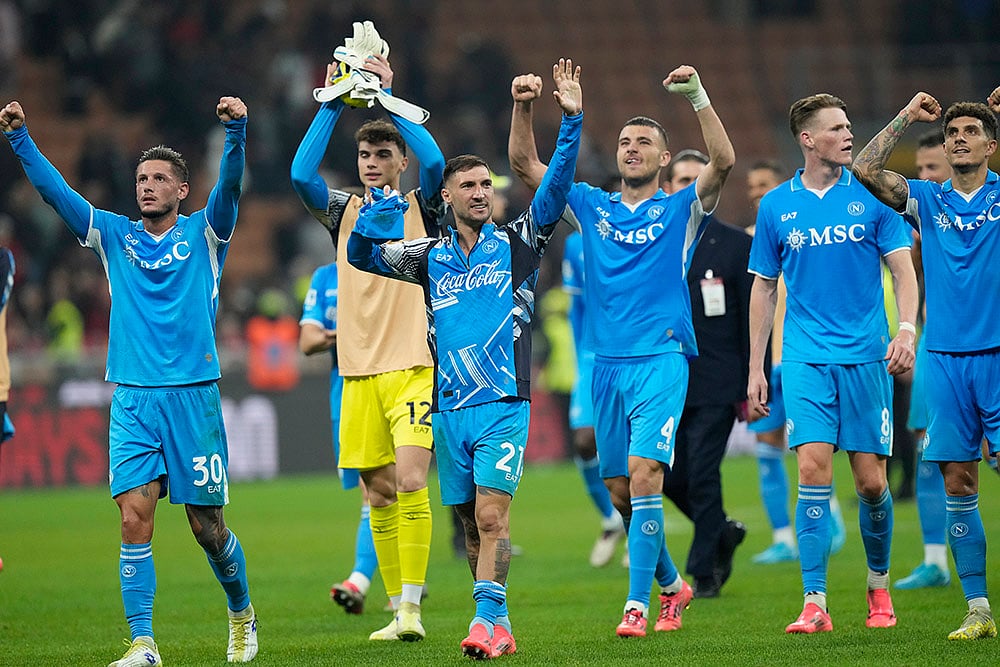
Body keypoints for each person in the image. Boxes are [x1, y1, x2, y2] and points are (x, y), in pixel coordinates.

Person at [1, 97, 257, 665]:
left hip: (193, 394)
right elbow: (56, 195)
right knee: (133, 518)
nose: (147, 186)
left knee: (207, 528)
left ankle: (241, 614)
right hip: (133, 398)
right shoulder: (113, 236)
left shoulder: (207, 233)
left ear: (182, 190)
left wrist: (236, 132)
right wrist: (21, 140)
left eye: (161, 178)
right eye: (142, 178)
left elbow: (233, 186)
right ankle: (144, 643)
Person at [348, 57, 583, 659]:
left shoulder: (520, 244)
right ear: (446, 195)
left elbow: (554, 189)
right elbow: (361, 257)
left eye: (488, 185)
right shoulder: (428, 256)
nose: (482, 194)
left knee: (491, 517)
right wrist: (375, 212)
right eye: (470, 186)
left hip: (504, 402)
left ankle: (484, 624)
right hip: (448, 408)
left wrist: (570, 122)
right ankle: (499, 627)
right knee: (467, 528)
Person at [510, 63, 735, 637]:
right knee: (619, 491)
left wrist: (697, 95)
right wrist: (524, 106)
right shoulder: (591, 205)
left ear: (664, 160)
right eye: (625, 141)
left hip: (661, 358)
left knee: (643, 475)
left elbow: (723, 161)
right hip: (605, 365)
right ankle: (672, 586)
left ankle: (637, 606)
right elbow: (524, 166)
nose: (631, 148)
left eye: (644, 143)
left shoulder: (682, 209)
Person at [747, 93, 917, 635]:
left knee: (870, 484)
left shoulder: (871, 198)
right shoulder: (776, 205)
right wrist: (756, 367)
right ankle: (814, 601)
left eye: (849, 126)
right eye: (838, 128)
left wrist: (907, 329)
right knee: (813, 469)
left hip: (867, 358)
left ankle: (877, 584)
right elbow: (764, 289)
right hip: (804, 359)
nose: (849, 135)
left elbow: (903, 272)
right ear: (807, 138)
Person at [290, 52, 446, 642]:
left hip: (413, 365)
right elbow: (302, 176)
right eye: (365, 154)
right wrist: (331, 102)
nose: (373, 162)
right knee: (378, 491)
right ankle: (393, 606)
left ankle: (412, 610)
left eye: (384, 154)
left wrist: (385, 97)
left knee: (410, 480)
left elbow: (434, 159)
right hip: (356, 371)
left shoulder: (424, 206)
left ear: (400, 160)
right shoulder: (343, 211)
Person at [852, 87, 1000, 640]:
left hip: (997, 356)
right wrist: (906, 116)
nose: (959, 139)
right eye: (952, 132)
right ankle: (979, 610)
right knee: (958, 479)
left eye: (970, 132)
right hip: (946, 361)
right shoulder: (929, 200)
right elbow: (866, 168)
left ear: (990, 144)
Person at [744, 160, 848, 565]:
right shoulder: (748, 242)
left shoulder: (804, 230)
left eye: (764, 183)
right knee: (766, 446)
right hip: (766, 362)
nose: (756, 191)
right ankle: (783, 537)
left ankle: (832, 519)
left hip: (804, 357)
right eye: (752, 185)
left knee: (814, 447)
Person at [659, 149, 748, 599]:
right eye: (680, 180)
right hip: (665, 377)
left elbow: (750, 319)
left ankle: (704, 572)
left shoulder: (735, 245)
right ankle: (723, 533)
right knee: (670, 475)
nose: (689, 187)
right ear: (667, 187)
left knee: (704, 473)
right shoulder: (651, 242)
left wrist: (754, 379)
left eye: (697, 179)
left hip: (718, 377)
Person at [299, 262, 379, 613]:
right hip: (344, 397)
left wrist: (337, 332)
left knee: (380, 488)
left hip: (388, 388)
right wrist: (345, 332)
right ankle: (405, 583)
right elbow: (307, 340)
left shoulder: (387, 261)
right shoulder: (324, 276)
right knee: (375, 490)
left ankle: (362, 579)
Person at [894, 130, 953, 591]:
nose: (925, 178)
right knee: (930, 450)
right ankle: (935, 559)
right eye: (921, 171)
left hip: (986, 345)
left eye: (933, 168)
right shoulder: (920, 226)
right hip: (937, 344)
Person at [561, 231, 627, 568]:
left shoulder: (635, 233)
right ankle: (610, 518)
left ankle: (638, 528)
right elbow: (576, 308)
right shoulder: (575, 244)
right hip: (590, 358)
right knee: (584, 440)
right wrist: (578, 361)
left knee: (634, 448)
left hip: (630, 352)